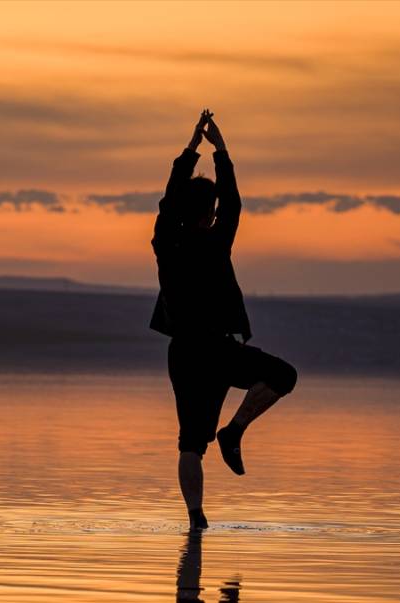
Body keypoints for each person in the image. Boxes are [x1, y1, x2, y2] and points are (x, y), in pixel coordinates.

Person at [150, 111, 297, 530]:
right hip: (217, 348)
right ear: (210, 213)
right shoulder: (215, 242)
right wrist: (220, 150)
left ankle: (196, 520)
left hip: (183, 352)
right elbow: (233, 202)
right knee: (283, 376)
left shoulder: (166, 242)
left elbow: (168, 200)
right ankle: (234, 432)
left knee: (191, 444)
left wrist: (190, 150)